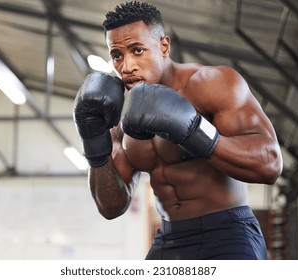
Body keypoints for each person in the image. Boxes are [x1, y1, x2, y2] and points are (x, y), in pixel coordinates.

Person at [73, 1, 283, 260]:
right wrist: (95, 144)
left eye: (137, 50)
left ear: (164, 46)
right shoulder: (118, 115)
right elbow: (111, 206)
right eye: (117, 55)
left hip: (228, 232)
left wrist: (195, 131)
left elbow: (270, 165)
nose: (126, 66)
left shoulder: (211, 84)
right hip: (170, 237)